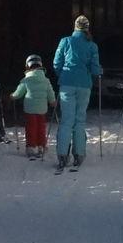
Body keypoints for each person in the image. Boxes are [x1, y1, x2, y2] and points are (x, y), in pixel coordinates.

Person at [51, 14, 102, 172]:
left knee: (66, 120)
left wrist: (63, 75)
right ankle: (79, 154)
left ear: (75, 26)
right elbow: (94, 68)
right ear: (87, 28)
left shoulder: (65, 41)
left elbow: (56, 62)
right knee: (80, 120)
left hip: (67, 83)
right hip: (84, 85)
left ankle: (62, 155)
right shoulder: (92, 45)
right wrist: (98, 72)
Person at [10, 54, 58, 160]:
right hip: (42, 109)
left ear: (28, 66)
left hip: (30, 108)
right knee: (41, 127)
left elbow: (19, 93)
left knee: (31, 127)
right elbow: (50, 92)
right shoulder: (46, 80)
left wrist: (13, 96)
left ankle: (31, 147)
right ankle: (41, 146)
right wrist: (53, 101)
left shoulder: (26, 80)